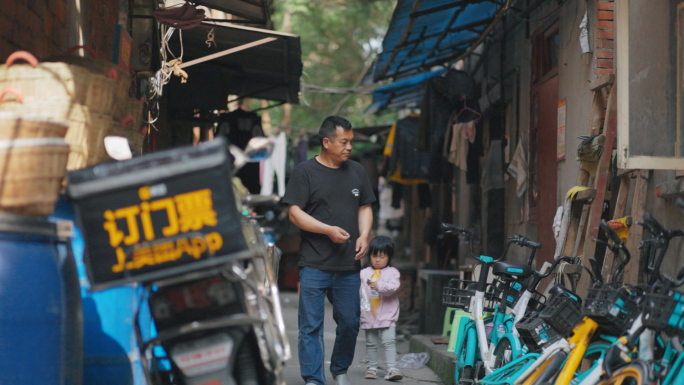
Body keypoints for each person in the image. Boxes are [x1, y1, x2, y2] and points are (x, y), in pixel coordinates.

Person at [282, 115, 376, 385]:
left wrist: (365, 235)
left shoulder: (357, 170)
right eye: (343, 142)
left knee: (349, 322)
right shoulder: (304, 172)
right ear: (326, 142)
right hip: (313, 262)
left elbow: (365, 206)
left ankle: (340, 369)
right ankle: (313, 378)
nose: (349, 147)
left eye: (351, 142)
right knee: (311, 326)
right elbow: (294, 213)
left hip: (348, 263)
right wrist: (327, 230)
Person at [360, 236, 403, 381]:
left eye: (382, 256)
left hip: (387, 315)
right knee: (371, 343)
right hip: (369, 315)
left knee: (389, 342)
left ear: (389, 257)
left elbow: (393, 288)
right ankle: (371, 368)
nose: (377, 260)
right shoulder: (364, 273)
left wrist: (378, 286)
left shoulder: (393, 273)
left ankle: (392, 369)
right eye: (374, 256)